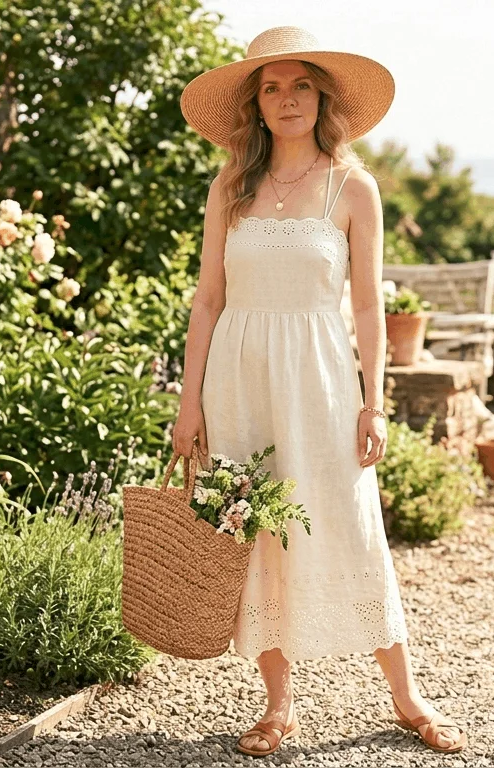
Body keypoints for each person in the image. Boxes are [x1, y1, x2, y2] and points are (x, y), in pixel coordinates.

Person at [170, 25, 468, 758]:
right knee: (258, 528)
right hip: (240, 380)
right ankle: (279, 707)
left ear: (322, 96)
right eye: (272, 87)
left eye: (301, 84)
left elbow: (368, 307)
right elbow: (206, 300)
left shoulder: (351, 186)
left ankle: (407, 698)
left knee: (350, 522)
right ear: (257, 105)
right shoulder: (229, 186)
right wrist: (188, 404)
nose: (287, 98)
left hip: (324, 382)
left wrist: (377, 400)